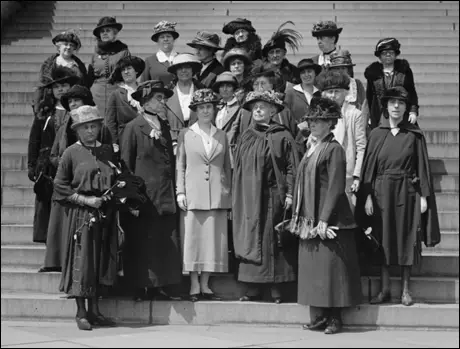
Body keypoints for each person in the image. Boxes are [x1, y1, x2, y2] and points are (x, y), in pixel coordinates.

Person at [356, 87, 440, 306]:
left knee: (405, 238)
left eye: (401, 103)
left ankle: (405, 290)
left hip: (407, 191)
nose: (396, 106)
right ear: (386, 106)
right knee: (383, 239)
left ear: (405, 108)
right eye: (392, 103)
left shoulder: (414, 134)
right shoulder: (375, 134)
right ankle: (384, 289)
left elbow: (422, 167)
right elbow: (368, 170)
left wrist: (423, 196)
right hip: (380, 191)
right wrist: (366, 197)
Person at [293, 97, 362, 335]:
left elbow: (335, 186)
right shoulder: (311, 148)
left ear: (331, 123)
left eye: (319, 120)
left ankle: (335, 318)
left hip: (331, 218)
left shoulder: (335, 149)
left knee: (333, 269)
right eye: (311, 119)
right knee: (317, 269)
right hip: (310, 215)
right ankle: (321, 315)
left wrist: (323, 219)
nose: (313, 124)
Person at [54, 105, 118, 330]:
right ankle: (81, 312)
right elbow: (59, 186)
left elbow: (118, 177)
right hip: (81, 215)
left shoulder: (109, 150)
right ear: (77, 130)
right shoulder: (71, 153)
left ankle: (96, 311)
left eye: (93, 126)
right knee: (83, 262)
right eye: (85, 128)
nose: (90, 131)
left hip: (105, 214)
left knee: (100, 262)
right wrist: (85, 200)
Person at [232, 91, 299, 304]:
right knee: (253, 236)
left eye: (263, 106)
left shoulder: (283, 135)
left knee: (273, 241)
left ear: (273, 110)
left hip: (274, 196)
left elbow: (291, 167)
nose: (258, 109)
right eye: (255, 107)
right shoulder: (245, 136)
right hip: (250, 197)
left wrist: (289, 192)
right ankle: (253, 288)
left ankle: (277, 288)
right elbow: (239, 170)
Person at [121, 80, 182, 301]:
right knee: (142, 240)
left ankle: (162, 285)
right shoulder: (133, 127)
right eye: (159, 98)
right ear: (146, 100)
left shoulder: (164, 126)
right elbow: (126, 166)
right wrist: (131, 200)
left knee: (163, 241)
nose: (163, 102)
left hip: (165, 194)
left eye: (164, 98)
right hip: (144, 197)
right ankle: (139, 286)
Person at [176, 89, 232, 302]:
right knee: (193, 240)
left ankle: (206, 284)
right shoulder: (186, 134)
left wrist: (229, 194)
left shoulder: (222, 135)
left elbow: (227, 167)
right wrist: (180, 191)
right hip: (193, 194)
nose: (206, 110)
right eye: (201, 107)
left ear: (214, 109)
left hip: (217, 195)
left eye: (209, 106)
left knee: (212, 242)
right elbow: (180, 165)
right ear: (195, 111)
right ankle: (193, 284)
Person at [28, 67, 80, 244]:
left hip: (69, 161)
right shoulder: (45, 111)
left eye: (64, 86)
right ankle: (46, 237)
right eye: (57, 87)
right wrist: (31, 163)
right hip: (46, 163)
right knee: (46, 199)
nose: (61, 90)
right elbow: (34, 139)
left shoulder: (76, 109)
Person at [319, 70, 367, 210]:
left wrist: (357, 175)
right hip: (323, 172)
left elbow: (361, 146)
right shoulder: (318, 114)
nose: (333, 95)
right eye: (329, 91)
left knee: (347, 212)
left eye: (337, 91)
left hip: (346, 172)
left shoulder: (354, 114)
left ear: (346, 92)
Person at [364, 38, 420, 129]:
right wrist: (369, 115)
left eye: (391, 52)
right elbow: (370, 96)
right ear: (379, 56)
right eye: (384, 53)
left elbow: (412, 92)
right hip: (381, 114)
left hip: (401, 111)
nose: (388, 55)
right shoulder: (373, 73)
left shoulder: (404, 71)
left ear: (395, 55)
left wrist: (413, 111)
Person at [88, 16, 130, 116]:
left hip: (116, 90)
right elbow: (89, 77)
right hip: (97, 93)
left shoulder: (123, 51)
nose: (105, 33)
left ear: (114, 33)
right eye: (102, 31)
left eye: (108, 30)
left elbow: (128, 73)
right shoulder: (95, 53)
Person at [165, 53, 203, 151]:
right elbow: (163, 123)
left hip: (199, 144)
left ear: (193, 70)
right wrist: (173, 143)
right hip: (173, 146)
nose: (183, 71)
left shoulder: (202, 92)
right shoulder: (166, 95)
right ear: (175, 72)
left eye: (187, 67)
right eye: (180, 68)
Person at [284, 58, 322, 154]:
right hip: (296, 140)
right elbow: (285, 117)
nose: (306, 75)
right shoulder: (291, 93)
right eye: (303, 72)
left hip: (318, 140)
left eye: (309, 71)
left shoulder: (320, 94)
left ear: (315, 73)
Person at [107, 56, 146, 146]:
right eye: (123, 70)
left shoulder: (145, 90)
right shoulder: (116, 94)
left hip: (145, 137)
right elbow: (110, 121)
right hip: (125, 139)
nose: (126, 72)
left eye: (129, 69)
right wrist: (114, 142)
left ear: (136, 71)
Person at [212, 72, 248, 152]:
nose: (225, 89)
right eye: (222, 86)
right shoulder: (216, 107)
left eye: (228, 86)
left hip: (232, 150)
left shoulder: (240, 107)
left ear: (233, 88)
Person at [260, 21, 302, 89]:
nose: (275, 55)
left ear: (284, 53)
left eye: (278, 51)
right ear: (267, 56)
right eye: (271, 52)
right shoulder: (261, 71)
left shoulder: (294, 71)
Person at [141, 20, 179, 86]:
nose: (165, 39)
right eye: (162, 37)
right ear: (157, 41)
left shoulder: (181, 58)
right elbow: (143, 85)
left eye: (168, 36)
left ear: (174, 39)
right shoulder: (149, 61)